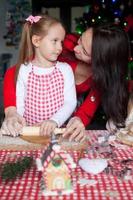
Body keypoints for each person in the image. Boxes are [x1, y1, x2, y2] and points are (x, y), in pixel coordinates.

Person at [1, 24, 131, 140]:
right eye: (80, 39)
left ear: (99, 62)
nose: (76, 48)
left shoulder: (99, 78)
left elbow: (86, 110)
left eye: (84, 51)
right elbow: (16, 71)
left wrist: (78, 120)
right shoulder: (62, 45)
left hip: (60, 122)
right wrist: (11, 112)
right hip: (30, 120)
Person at [0, 14, 77, 137]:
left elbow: (70, 102)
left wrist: (54, 121)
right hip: (30, 134)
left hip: (58, 134)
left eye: (61, 42)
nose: (60, 48)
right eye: (55, 41)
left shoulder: (65, 70)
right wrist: (19, 122)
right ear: (36, 41)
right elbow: (20, 103)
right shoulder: (24, 70)